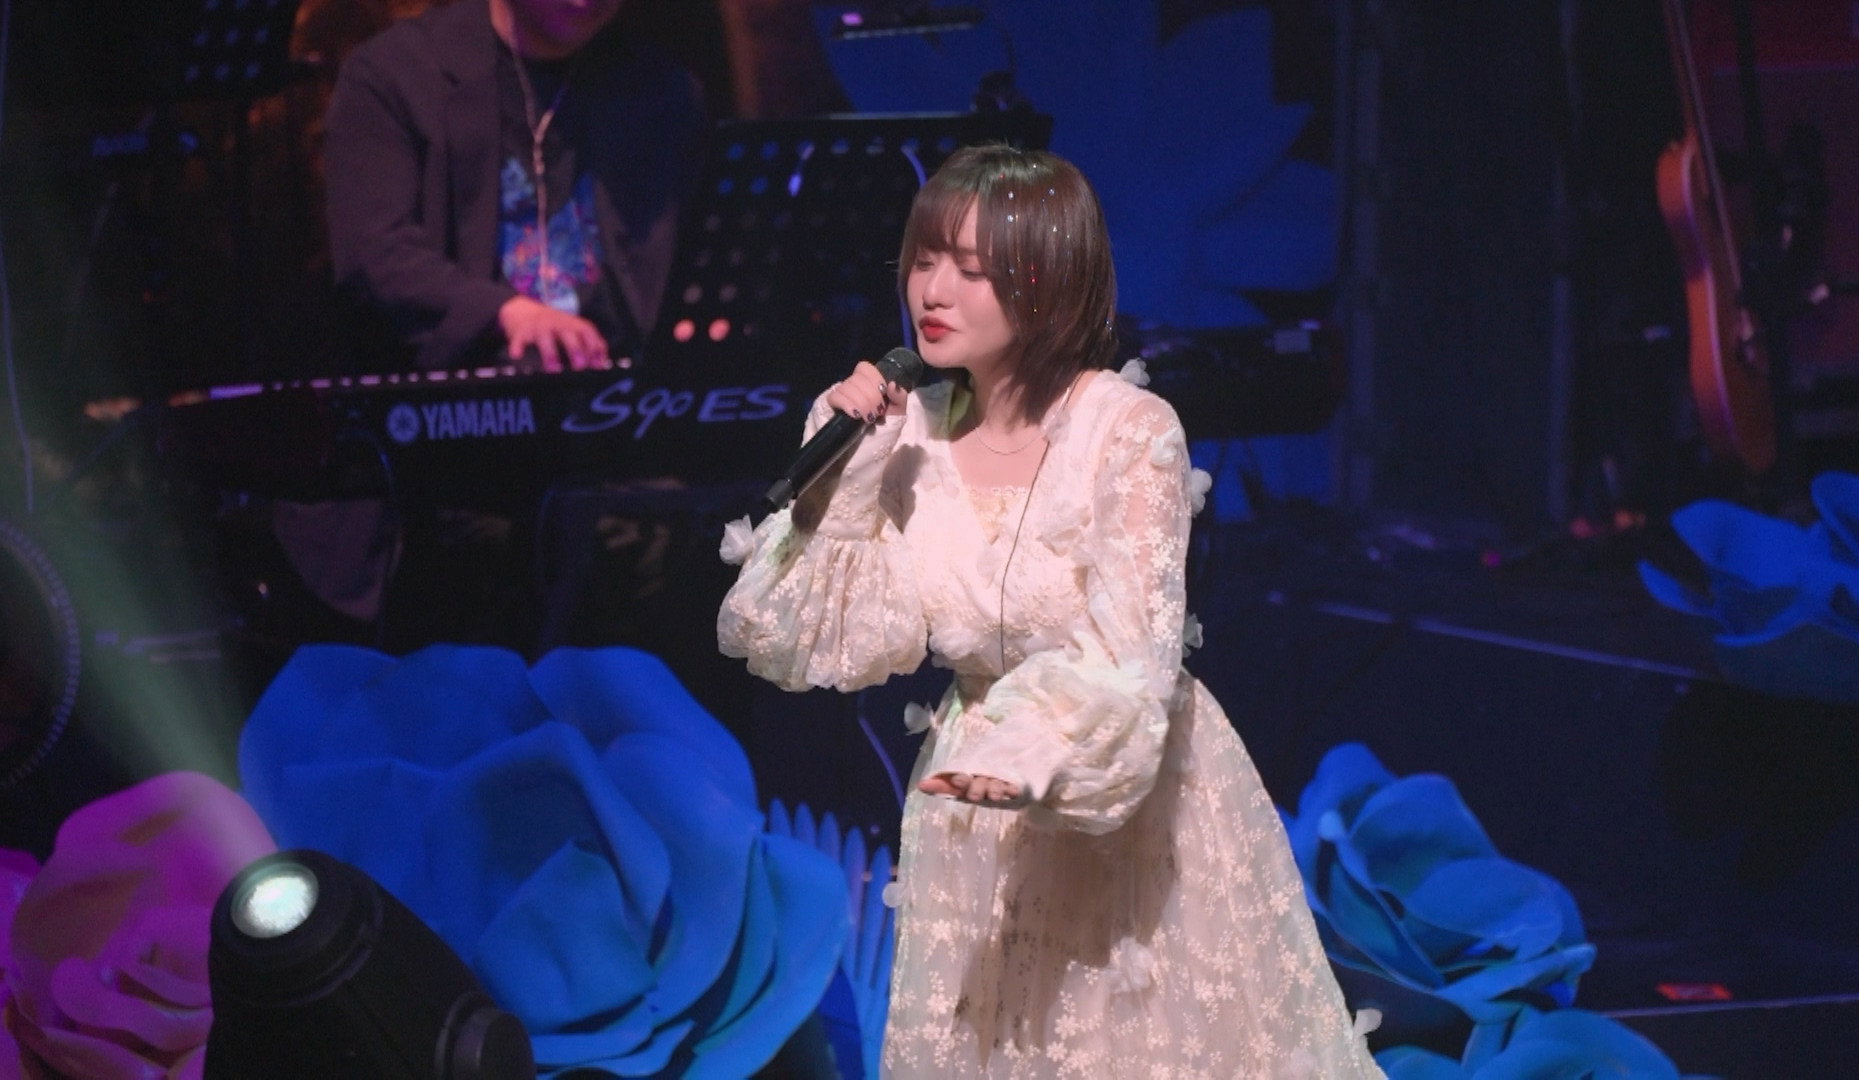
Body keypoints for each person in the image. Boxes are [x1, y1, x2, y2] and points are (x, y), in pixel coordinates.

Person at [718, 145, 1384, 1077]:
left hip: (1125, 800)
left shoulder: (1126, 429)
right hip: (971, 816)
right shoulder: (907, 433)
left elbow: (1134, 649)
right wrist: (852, 470)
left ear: (1045, 280)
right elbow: (808, 637)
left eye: (970, 269)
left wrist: (1033, 753)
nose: (932, 290)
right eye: (923, 260)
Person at [324, 0, 706, 372]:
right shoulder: (395, 75)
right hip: (466, 389)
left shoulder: (662, 90)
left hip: (622, 387)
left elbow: (693, 261)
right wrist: (503, 312)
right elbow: (375, 252)